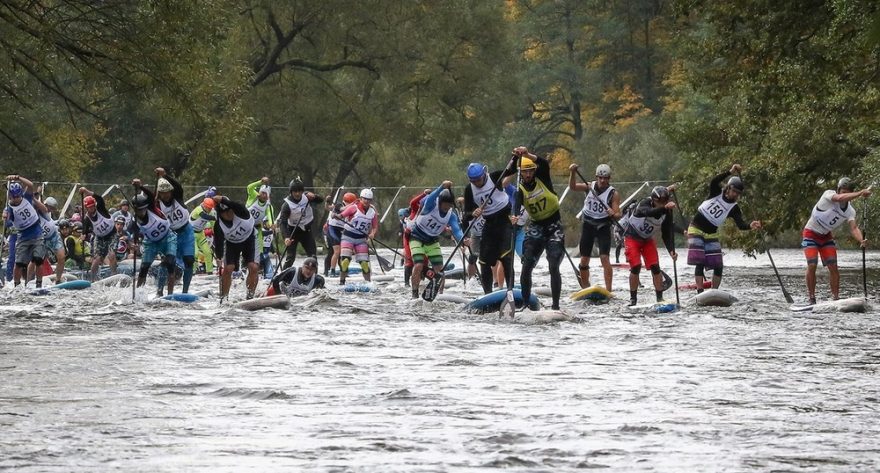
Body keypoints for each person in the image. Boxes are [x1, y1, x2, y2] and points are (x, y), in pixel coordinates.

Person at [686, 164, 762, 291]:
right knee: (700, 261)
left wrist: (750, 225)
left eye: (738, 193)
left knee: (718, 265)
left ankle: (714, 292)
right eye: (734, 191)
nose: (735, 194)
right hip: (696, 228)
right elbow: (714, 181)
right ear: (728, 188)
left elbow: (741, 225)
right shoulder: (716, 192)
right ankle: (700, 291)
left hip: (711, 233)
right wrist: (729, 172)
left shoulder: (734, 208)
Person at [509, 147, 565, 310]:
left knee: (553, 265)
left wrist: (526, 154)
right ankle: (526, 304)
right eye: (525, 172)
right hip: (536, 226)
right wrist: (514, 216)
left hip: (554, 225)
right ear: (521, 173)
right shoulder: (519, 190)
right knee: (526, 265)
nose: (528, 175)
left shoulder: (542, 177)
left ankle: (555, 306)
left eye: (530, 171)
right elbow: (516, 206)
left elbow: (544, 163)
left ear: (534, 171)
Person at [802, 177, 871, 304]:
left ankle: (835, 298)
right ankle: (811, 298)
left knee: (833, 267)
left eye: (848, 192)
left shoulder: (850, 211)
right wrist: (861, 192)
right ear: (838, 190)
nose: (845, 195)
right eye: (843, 191)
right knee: (812, 264)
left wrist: (861, 240)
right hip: (810, 233)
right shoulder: (828, 195)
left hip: (826, 236)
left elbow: (854, 228)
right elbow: (839, 198)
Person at [462, 158, 514, 294]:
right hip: (489, 224)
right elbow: (466, 215)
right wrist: (473, 213)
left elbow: (512, 169)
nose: (477, 183)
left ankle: (510, 291)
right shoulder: (469, 189)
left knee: (506, 257)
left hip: (504, 221)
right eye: (473, 181)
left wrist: (517, 156)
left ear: (484, 174)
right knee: (484, 262)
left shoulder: (495, 177)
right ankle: (488, 295)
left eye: (479, 180)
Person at [408, 181, 466, 298]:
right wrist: (441, 187)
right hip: (417, 237)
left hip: (432, 240)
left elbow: (456, 231)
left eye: (449, 205)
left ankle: (439, 295)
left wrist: (463, 240)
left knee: (440, 271)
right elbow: (431, 197)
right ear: (439, 202)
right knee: (418, 265)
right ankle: (414, 294)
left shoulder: (451, 215)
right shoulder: (430, 205)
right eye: (445, 205)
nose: (446, 208)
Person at [569, 162, 620, 290]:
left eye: (605, 178)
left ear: (609, 178)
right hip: (588, 225)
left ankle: (609, 290)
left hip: (603, 226)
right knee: (584, 259)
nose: (602, 181)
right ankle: (585, 287)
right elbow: (573, 187)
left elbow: (618, 214)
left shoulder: (613, 193)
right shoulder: (589, 186)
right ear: (597, 177)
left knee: (604, 258)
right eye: (600, 178)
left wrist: (613, 213)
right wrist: (572, 173)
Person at [624, 186, 677, 306]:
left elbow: (666, 234)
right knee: (636, 267)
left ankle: (660, 299)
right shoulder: (644, 203)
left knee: (655, 267)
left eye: (665, 202)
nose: (662, 204)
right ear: (653, 200)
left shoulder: (667, 212)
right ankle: (633, 299)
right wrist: (664, 208)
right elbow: (650, 212)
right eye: (660, 202)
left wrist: (671, 251)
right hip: (632, 238)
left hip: (647, 240)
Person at [130, 181, 178, 296]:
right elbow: (130, 236)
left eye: (143, 209)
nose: (142, 212)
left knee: (169, 262)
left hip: (168, 237)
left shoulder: (151, 208)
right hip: (151, 242)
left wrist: (141, 186)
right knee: (144, 267)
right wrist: (133, 244)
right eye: (139, 210)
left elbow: (151, 196)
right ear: (135, 210)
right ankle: (138, 295)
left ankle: (169, 294)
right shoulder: (134, 221)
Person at [153, 168, 196, 293]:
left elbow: (178, 186)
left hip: (186, 232)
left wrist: (165, 175)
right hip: (171, 235)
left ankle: (185, 292)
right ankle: (159, 291)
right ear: (159, 194)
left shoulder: (177, 196)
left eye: (168, 192)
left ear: (171, 192)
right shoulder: (157, 205)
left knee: (189, 261)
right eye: (163, 193)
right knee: (166, 262)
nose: (166, 195)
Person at [212, 194, 260, 300]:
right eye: (225, 213)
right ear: (220, 214)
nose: (228, 214)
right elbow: (219, 243)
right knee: (229, 268)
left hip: (250, 238)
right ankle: (224, 298)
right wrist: (219, 257)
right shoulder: (218, 225)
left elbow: (235, 204)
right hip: (232, 244)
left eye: (230, 211)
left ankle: (250, 296)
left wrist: (223, 200)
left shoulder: (241, 211)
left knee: (253, 267)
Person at [4, 175, 47, 287]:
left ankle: (39, 284)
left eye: (18, 196)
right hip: (23, 236)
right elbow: (7, 223)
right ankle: (16, 285)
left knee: (38, 260)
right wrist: (5, 217)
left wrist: (18, 177)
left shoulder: (26, 197)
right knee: (19, 263)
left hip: (37, 234)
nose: (16, 199)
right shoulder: (9, 208)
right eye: (14, 197)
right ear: (10, 196)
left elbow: (30, 185)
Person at [278, 179, 324, 269]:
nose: (297, 194)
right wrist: (286, 237)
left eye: (299, 191)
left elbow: (320, 200)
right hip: (293, 232)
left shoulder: (306, 197)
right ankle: (283, 276)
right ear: (291, 192)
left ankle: (313, 276)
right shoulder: (286, 205)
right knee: (290, 257)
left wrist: (314, 196)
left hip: (306, 231)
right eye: (295, 191)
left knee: (313, 257)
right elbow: (282, 223)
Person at [337, 189, 378, 284]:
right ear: (361, 198)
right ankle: (342, 282)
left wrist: (372, 234)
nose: (366, 201)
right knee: (345, 261)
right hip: (348, 237)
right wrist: (337, 216)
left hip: (361, 239)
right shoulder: (353, 208)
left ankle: (368, 283)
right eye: (364, 199)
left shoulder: (372, 212)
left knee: (364, 264)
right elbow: (342, 215)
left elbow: (375, 226)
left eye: (369, 199)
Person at [79, 187, 118, 280]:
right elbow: (85, 232)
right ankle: (93, 279)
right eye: (89, 207)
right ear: (86, 208)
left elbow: (98, 197)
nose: (91, 208)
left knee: (111, 255)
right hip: (100, 238)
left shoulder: (100, 208)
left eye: (93, 206)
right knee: (97, 258)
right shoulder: (86, 219)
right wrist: (83, 236)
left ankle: (114, 275)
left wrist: (85, 191)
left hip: (112, 234)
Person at [323, 192, 357, 277]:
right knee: (336, 251)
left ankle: (343, 271)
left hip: (341, 231)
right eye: (351, 203)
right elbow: (342, 209)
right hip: (332, 229)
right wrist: (353, 204)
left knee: (344, 252)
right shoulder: (339, 205)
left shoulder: (352, 209)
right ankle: (331, 271)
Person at [37, 198, 66, 282]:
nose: (52, 210)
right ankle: (28, 281)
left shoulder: (46, 212)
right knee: (36, 260)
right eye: (51, 208)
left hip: (54, 236)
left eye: (53, 208)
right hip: (42, 240)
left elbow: (50, 221)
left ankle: (58, 279)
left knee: (61, 257)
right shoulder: (37, 210)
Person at [246, 176, 275, 253]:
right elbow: (249, 187)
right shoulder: (253, 196)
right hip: (245, 225)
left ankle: (259, 257)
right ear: (259, 193)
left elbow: (270, 217)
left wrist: (271, 225)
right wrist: (260, 182)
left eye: (266, 194)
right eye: (263, 193)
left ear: (268, 196)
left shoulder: (268, 206)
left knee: (259, 249)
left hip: (256, 227)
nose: (264, 195)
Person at [190, 198, 216, 274]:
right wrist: (215, 218)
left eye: (211, 208)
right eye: (208, 208)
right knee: (195, 253)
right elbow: (204, 216)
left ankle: (209, 271)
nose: (209, 210)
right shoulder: (198, 209)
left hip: (201, 234)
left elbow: (213, 225)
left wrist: (215, 232)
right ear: (204, 205)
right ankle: (192, 271)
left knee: (208, 252)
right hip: (191, 234)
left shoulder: (211, 212)